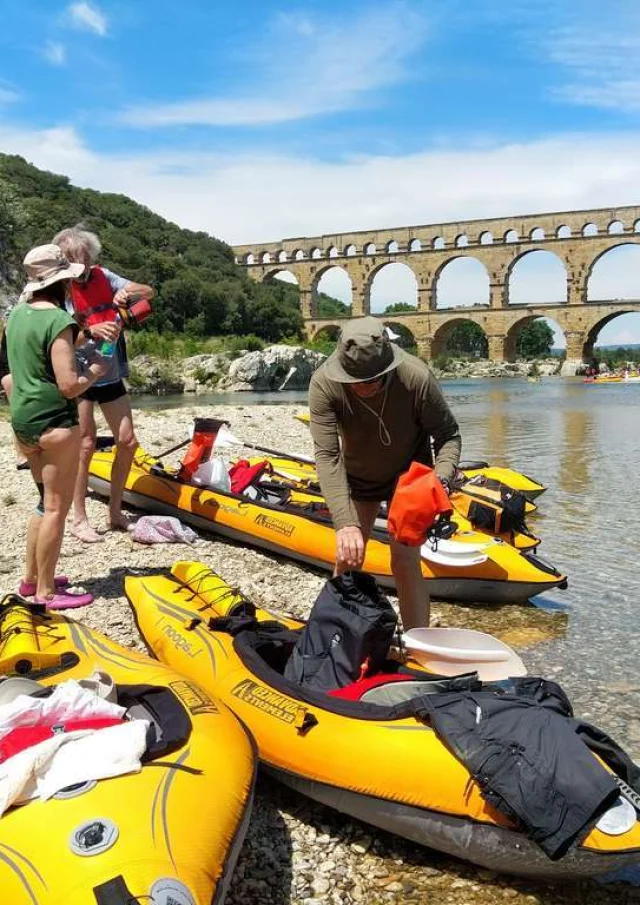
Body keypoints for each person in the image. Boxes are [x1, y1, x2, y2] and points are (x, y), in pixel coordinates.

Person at [309, 317, 461, 629]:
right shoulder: (324, 383)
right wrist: (346, 523)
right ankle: (330, 636)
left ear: (388, 368)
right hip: (358, 477)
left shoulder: (416, 377)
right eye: (356, 381)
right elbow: (327, 456)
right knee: (349, 557)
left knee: (405, 561)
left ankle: (418, 642)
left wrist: (439, 481)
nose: (364, 387)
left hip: (409, 482)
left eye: (372, 380)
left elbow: (449, 436)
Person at [5, 244, 108, 608]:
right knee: (55, 508)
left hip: (24, 420)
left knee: (40, 504)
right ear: (62, 283)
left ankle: (32, 580)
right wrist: (96, 370)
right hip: (55, 421)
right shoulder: (58, 321)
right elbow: (68, 384)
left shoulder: (17, 314)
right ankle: (48, 593)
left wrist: (86, 337)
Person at [53, 225, 155, 541]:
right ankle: (80, 519)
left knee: (127, 441)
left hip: (109, 371)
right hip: (80, 375)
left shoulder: (103, 275)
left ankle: (114, 513)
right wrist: (90, 332)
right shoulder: (59, 291)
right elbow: (61, 339)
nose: (82, 272)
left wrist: (130, 292)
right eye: (76, 265)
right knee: (85, 444)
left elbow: (148, 291)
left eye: (86, 262)